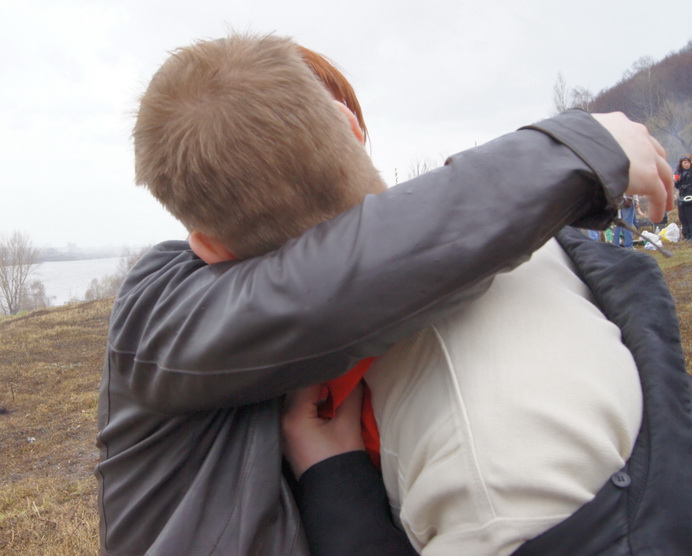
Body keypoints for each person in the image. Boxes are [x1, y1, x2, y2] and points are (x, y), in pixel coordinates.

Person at [95, 34, 674, 555]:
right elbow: (331, 283)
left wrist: (334, 479)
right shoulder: (162, 309)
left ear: (207, 245)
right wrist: (579, 149)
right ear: (351, 126)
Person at [675, 156, 692, 239]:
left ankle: (690, 235)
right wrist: (676, 181)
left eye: (688, 162)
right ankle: (686, 234)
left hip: (690, 196)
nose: (687, 164)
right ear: (681, 164)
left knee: (690, 217)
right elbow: (677, 186)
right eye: (685, 163)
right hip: (682, 197)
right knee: (682, 217)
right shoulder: (679, 173)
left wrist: (687, 186)